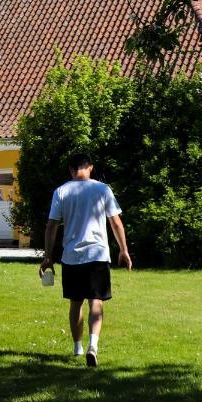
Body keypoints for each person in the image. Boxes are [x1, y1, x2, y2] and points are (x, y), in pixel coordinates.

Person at [39, 151, 132, 367]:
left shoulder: (61, 191)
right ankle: (94, 345)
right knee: (96, 301)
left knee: (75, 303)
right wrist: (124, 250)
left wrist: (48, 257)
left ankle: (77, 347)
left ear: (71, 170)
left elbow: (52, 225)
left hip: (72, 256)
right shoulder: (102, 189)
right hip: (98, 254)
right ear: (90, 167)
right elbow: (116, 223)